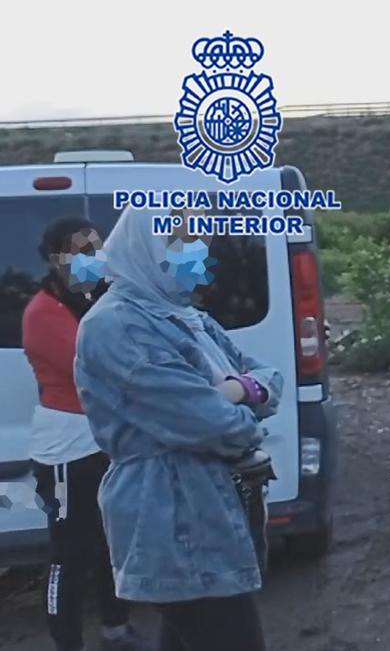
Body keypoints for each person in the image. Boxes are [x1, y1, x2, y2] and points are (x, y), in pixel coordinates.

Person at [74, 207, 282, 651]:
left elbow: (271, 379)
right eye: (186, 251)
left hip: (211, 513)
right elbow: (216, 426)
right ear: (148, 250)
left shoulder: (187, 317)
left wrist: (237, 389)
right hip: (174, 517)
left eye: (201, 251)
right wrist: (242, 401)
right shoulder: (116, 326)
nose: (199, 264)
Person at [23, 217, 153, 651]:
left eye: (94, 249)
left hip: (105, 439)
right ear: (55, 259)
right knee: (68, 555)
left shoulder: (99, 299)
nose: (89, 260)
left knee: (112, 543)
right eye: (76, 252)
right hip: (67, 450)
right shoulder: (43, 313)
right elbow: (101, 366)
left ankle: (116, 629)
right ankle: (68, 645)